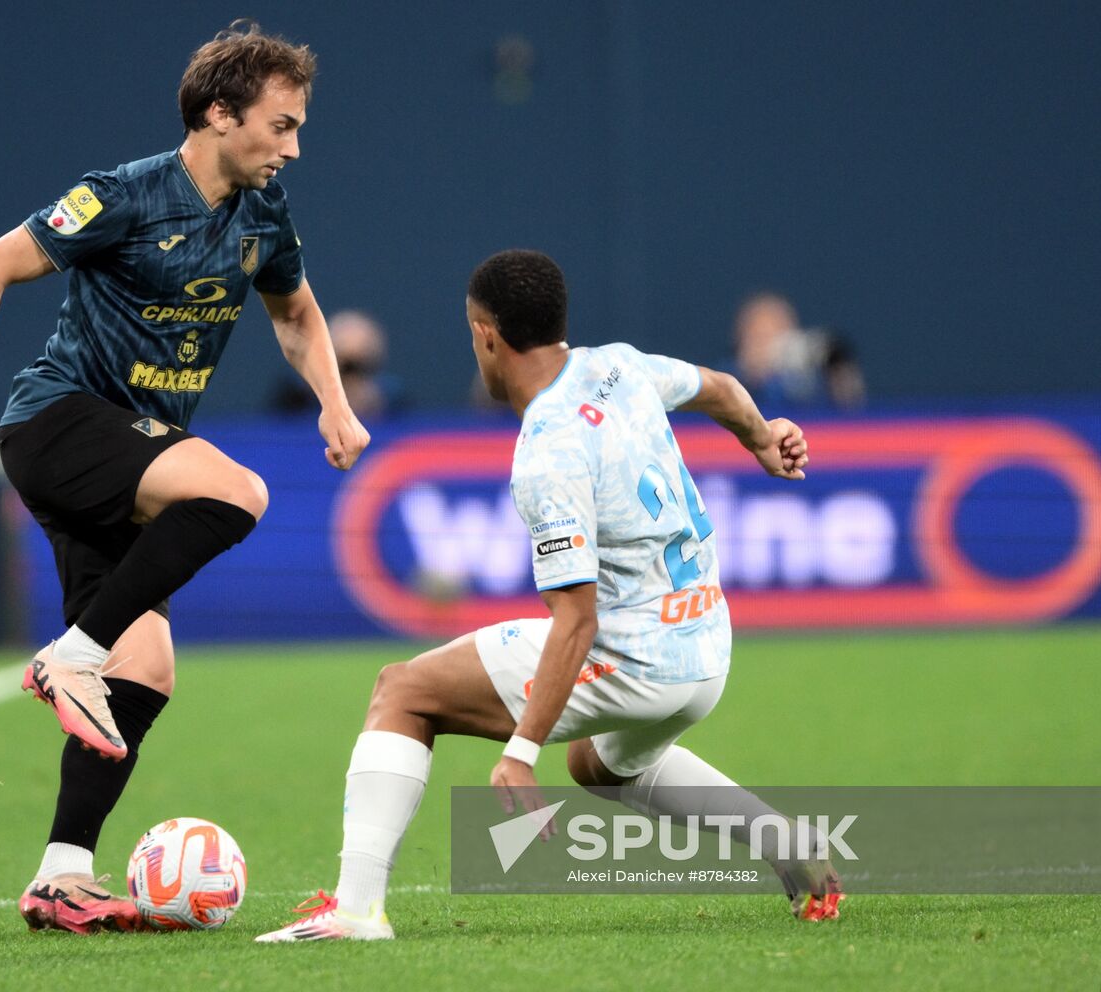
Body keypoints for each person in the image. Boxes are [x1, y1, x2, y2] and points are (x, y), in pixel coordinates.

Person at [0, 21, 369, 934]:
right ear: (217, 113)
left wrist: (334, 401)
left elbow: (299, 312)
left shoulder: (263, 216)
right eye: (279, 125)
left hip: (123, 456)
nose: (294, 146)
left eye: (298, 126)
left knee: (148, 668)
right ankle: (67, 657)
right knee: (238, 492)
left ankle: (62, 873)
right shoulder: (123, 195)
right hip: (57, 423)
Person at [256, 250, 837, 943]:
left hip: (633, 657)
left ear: (486, 335)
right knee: (598, 765)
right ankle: (781, 839)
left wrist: (519, 752)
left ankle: (355, 911)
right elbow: (719, 385)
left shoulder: (547, 451)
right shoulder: (616, 364)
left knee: (402, 690)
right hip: (705, 652)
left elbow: (577, 620)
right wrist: (762, 437)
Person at [732, 292, 865, 410]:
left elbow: (851, 404)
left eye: (775, 334)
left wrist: (838, 369)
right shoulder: (727, 380)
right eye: (758, 336)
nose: (767, 346)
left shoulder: (811, 382)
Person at [272, 310, 403, 416]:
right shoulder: (293, 401)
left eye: (358, 367)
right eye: (344, 366)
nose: (350, 380)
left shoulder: (395, 404)